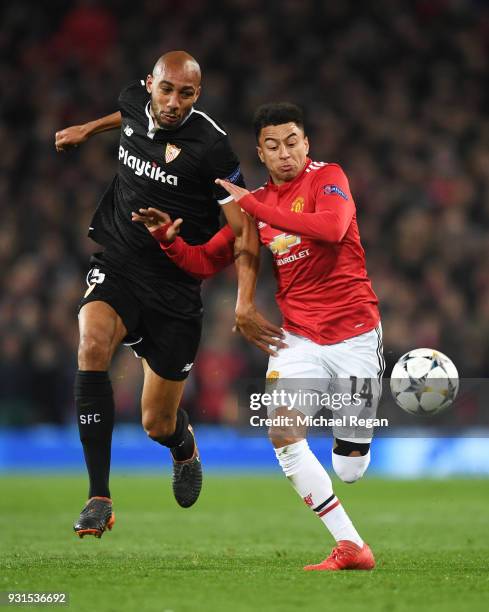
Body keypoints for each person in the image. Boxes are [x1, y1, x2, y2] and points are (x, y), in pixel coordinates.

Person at [134, 102, 384, 571]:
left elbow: (331, 228)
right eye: (273, 146)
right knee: (282, 432)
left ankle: (351, 447)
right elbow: (206, 261)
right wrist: (170, 240)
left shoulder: (329, 177)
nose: (285, 153)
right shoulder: (260, 207)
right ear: (261, 153)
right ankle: (352, 546)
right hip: (299, 338)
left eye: (292, 142)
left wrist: (250, 203)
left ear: (306, 144)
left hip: (355, 333)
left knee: (350, 468)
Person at [55, 51, 283, 538]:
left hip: (176, 287)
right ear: (149, 86)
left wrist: (244, 301)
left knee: (156, 423)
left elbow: (245, 232)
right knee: (92, 345)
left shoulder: (213, 148)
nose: (173, 102)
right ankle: (99, 496)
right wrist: (87, 130)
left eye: (186, 93)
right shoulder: (134, 101)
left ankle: (183, 447)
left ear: (197, 96)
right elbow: (128, 114)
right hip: (118, 263)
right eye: (166, 90)